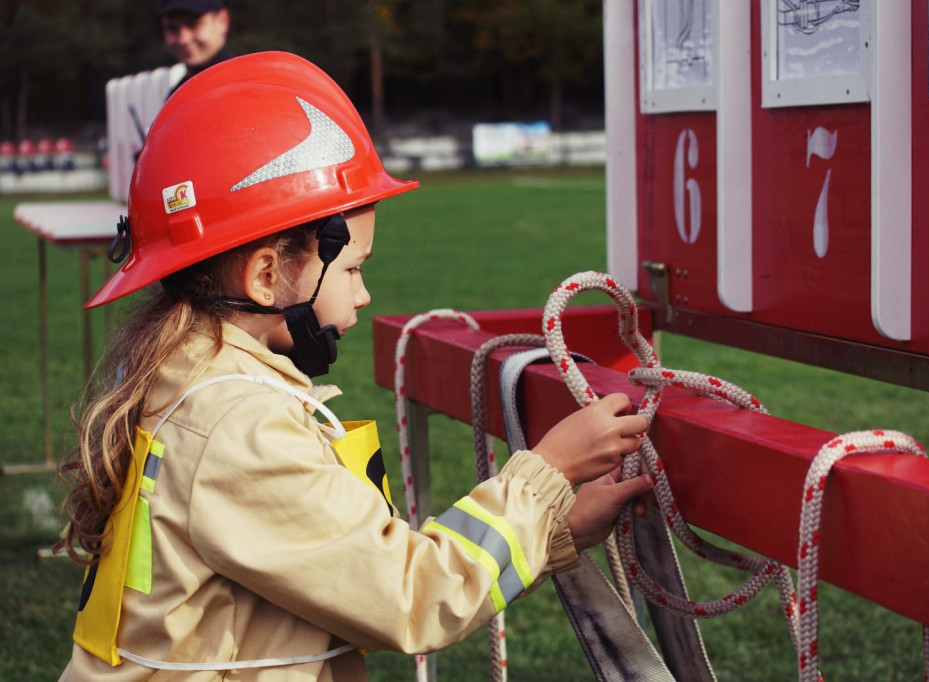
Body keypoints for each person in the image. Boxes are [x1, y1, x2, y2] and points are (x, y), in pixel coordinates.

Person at [55, 51, 652, 680]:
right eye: (352, 268)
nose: (363, 293)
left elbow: (336, 561)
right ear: (265, 275)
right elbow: (410, 596)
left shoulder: (189, 377)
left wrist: (559, 528)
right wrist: (547, 474)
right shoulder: (238, 422)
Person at [158, 0, 232, 93]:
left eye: (193, 24)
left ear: (222, 21)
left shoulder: (241, 85)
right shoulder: (178, 93)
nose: (183, 39)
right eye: (172, 28)